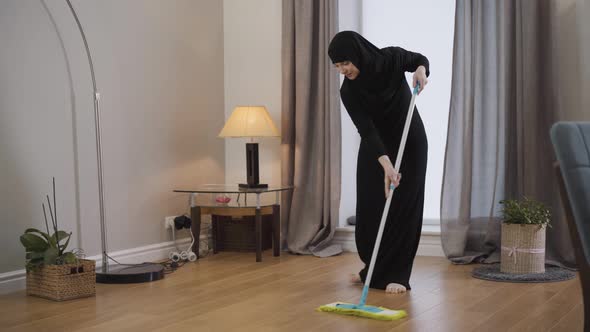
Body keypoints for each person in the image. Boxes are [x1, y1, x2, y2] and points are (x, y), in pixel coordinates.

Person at [328, 31, 429, 294]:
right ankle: (372, 270)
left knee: (403, 207)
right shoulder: (348, 90)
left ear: (358, 55)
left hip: (410, 142)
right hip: (377, 147)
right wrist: (386, 165)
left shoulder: (391, 58)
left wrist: (420, 71)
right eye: (337, 66)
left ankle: (398, 274)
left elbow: (419, 59)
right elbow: (367, 131)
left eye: (345, 63)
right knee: (372, 206)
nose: (342, 70)